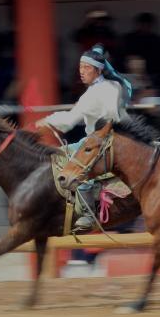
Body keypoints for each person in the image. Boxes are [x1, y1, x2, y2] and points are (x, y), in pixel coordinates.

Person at [36, 44, 132, 230]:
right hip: (97, 138)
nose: (82, 72)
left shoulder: (100, 91)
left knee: (77, 167)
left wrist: (48, 121)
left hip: (106, 140)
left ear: (98, 70)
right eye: (80, 67)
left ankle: (88, 215)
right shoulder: (107, 86)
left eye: (86, 68)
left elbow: (71, 119)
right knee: (60, 154)